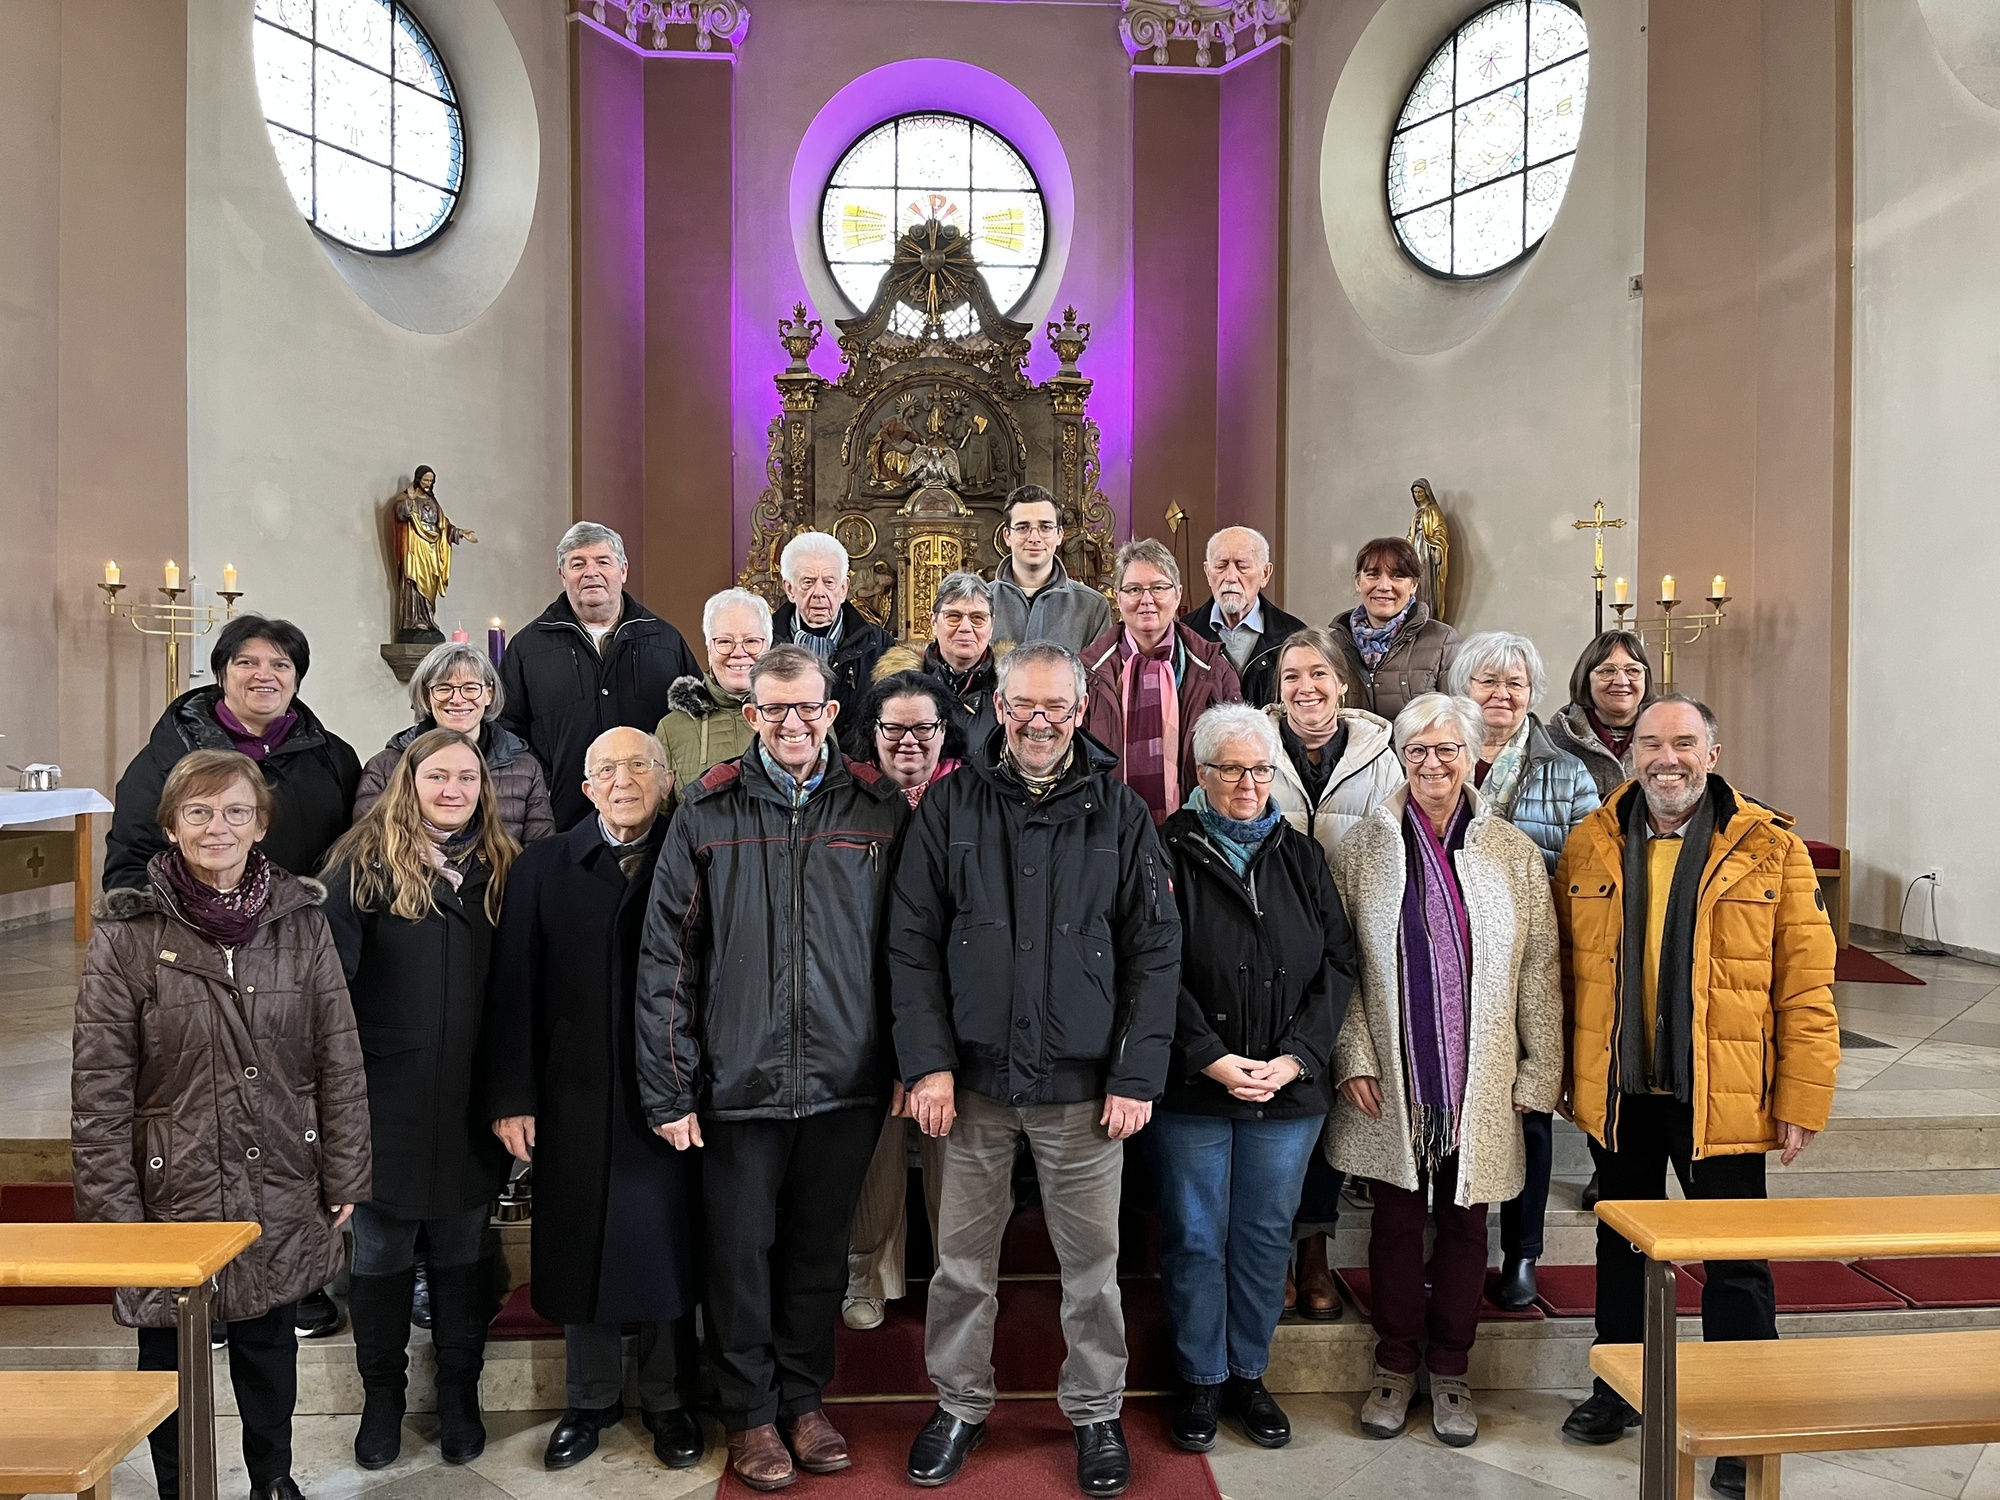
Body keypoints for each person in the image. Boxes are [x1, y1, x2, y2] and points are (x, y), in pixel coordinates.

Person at [889, 640, 1182, 1497]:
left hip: (1086, 1091)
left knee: (1092, 1273)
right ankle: (958, 1404)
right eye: (1024, 705)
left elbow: (1155, 950)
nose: (1040, 720)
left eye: (1057, 706)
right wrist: (929, 1065)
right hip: (971, 1087)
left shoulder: (1121, 814)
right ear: (1000, 709)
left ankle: (1095, 1414)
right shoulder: (950, 807)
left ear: (1081, 712)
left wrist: (1136, 1075)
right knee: (961, 1267)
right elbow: (911, 945)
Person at [636, 645, 908, 1493]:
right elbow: (667, 960)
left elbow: (910, 952)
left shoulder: (876, 807)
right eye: (774, 710)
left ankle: (803, 1398)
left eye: (809, 709)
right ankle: (750, 1411)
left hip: (846, 1079)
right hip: (739, 1082)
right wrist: (670, 1085)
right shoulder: (707, 809)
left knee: (818, 1254)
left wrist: (909, 1062)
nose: (792, 724)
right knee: (740, 1252)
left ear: (834, 713)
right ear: (750, 715)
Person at [1555, 696, 1838, 1500]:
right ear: (1631, 753)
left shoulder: (1770, 850)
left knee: (1735, 1261)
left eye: (1684, 743)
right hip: (1621, 1090)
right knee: (1623, 1245)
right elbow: (1567, 976)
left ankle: (1743, 1421)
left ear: (1714, 752)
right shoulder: (1592, 842)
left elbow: (1807, 984)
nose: (1666, 758)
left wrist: (1803, 1095)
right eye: (1650, 743)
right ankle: (1620, 1387)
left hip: (1725, 1092)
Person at [73, 749, 371, 1500]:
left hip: (279, 1169)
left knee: (269, 1345)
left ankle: (273, 1479)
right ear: (171, 825)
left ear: (260, 823)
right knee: (169, 1357)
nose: (218, 826)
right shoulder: (128, 932)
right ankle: (179, 1487)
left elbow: (337, 1054)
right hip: (174, 1181)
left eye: (236, 810)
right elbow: (100, 1087)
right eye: (199, 812)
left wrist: (346, 1168)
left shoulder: (300, 921)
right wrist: (114, 1213)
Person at [1328, 694, 1562, 1449]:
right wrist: (1354, 1054)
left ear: (1471, 757)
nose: (1433, 764)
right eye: (1418, 751)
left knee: (1465, 1226)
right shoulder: (1363, 847)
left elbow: (1539, 971)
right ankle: (1395, 1366)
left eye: (1447, 750)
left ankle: (1453, 1370)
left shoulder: (1512, 851)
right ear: (1402, 758)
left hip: (1480, 1072)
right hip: (1393, 1071)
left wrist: (1537, 1073)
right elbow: (1344, 966)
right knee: (1395, 1224)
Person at [485, 728, 704, 1472]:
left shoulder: (693, 854)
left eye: (638, 765)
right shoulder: (543, 866)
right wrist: (513, 1095)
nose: (622, 780)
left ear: (666, 779)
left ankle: (670, 1401)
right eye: (605, 769)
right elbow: (512, 987)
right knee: (579, 1245)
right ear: (584, 789)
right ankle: (590, 1399)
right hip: (571, 1089)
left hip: (671, 1088)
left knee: (669, 1245)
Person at [1153, 705, 1358, 1455]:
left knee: (1267, 1237)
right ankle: (1201, 1379)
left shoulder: (1301, 855)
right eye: (1232, 769)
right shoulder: (1163, 847)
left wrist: (1298, 1056)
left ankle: (1248, 1374)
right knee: (1197, 1236)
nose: (1250, 784)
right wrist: (1208, 1053)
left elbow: (1338, 962)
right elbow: (1150, 964)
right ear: (1200, 773)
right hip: (1193, 1085)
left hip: (1288, 1088)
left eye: (1262, 769)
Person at [320, 729, 520, 1470]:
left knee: (464, 1252)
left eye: (466, 778)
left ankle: (460, 1394)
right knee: (382, 1252)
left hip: (469, 1096)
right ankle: (382, 1399)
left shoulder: (501, 867)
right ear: (409, 781)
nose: (453, 790)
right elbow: (329, 993)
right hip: (384, 1096)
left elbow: (516, 990)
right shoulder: (359, 863)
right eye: (437, 776)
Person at [1445, 632, 1600, 1310]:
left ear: (1534, 694)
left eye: (1515, 684)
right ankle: (1448, 1243)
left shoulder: (1565, 771)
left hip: (1525, 967)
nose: (1501, 695)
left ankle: (1523, 1252)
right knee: (1448, 1110)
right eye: (1486, 682)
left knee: (1527, 1112)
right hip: (1447, 965)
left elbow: (1589, 874)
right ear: (1462, 687)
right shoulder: (1430, 756)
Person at [1262, 627, 1404, 1321]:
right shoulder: (1253, 748)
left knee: (1325, 1103)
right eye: (1292, 676)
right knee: (1280, 1108)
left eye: (1318, 674)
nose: (1305, 689)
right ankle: (1273, 1247)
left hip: (1356, 950)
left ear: (1343, 684)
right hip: (1268, 952)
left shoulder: (1385, 759)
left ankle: (1314, 1247)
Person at [841, 672, 964, 1332]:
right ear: (873, 733)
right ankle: (870, 1269)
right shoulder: (850, 800)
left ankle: (957, 1278)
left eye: (925, 727)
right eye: (895, 728)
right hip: (865, 1000)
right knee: (877, 1140)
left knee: (952, 1140)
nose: (909, 740)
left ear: (946, 733)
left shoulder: (967, 801)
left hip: (951, 1002)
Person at [106, 614, 362, 892]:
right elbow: (132, 864)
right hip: (202, 926)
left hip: (309, 923)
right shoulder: (169, 756)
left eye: (281, 665)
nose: (264, 675)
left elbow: (354, 852)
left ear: (296, 680)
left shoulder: (334, 756)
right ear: (222, 675)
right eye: (246, 662)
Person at [497, 522, 701, 830]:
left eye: (603, 561)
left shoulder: (666, 640)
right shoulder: (528, 647)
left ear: (623, 570)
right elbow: (508, 732)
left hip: (654, 821)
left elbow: (694, 726)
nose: (591, 572)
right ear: (562, 575)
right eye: (577, 564)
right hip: (563, 818)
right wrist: (546, 786)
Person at [1083, 537, 1243, 825]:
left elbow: (1235, 755)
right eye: (1133, 589)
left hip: (1194, 830)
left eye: (1158, 588)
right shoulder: (1087, 671)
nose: (1147, 600)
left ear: (1178, 594)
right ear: (1117, 597)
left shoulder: (1214, 668)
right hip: (1107, 826)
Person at [355, 641, 554, 843]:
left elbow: (540, 853)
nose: (457, 699)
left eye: (470, 688)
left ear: (489, 695)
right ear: (426, 696)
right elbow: (367, 846)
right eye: (443, 688)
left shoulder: (525, 767)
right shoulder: (385, 766)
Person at [770, 530, 892, 752]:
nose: (819, 593)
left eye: (829, 582)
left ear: (844, 588)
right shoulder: (763, 642)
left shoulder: (879, 645)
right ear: (789, 589)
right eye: (808, 582)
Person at [655, 587, 771, 811]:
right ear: (709, 649)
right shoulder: (672, 730)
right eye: (725, 641)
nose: (738, 652)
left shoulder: (802, 718)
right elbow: (662, 822)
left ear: (768, 647)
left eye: (752, 641)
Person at [1324, 538, 1461, 722]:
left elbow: (1457, 719)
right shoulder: (1332, 645)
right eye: (1373, 575)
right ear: (1358, 582)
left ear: (1413, 585)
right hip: (1351, 750)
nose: (1384, 586)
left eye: (1397, 576)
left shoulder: (1443, 641)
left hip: (1414, 750)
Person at [1176, 527, 1306, 707]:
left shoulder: (1293, 635)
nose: (1230, 577)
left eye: (1242, 566)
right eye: (1220, 566)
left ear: (1265, 574)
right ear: (1207, 573)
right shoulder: (1184, 634)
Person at [873, 571, 1000, 749]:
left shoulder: (1010, 689)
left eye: (977, 618)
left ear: (992, 626)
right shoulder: (894, 685)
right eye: (953, 616)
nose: (965, 628)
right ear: (933, 622)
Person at [989, 484, 1113, 653]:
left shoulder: (1092, 607)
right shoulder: (980, 602)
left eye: (1045, 527)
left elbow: (1099, 677)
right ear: (1007, 536)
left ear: (1059, 535)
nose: (1034, 538)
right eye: (1023, 527)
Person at [1547, 630, 1655, 797]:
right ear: (1585, 679)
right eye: (1607, 671)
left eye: (1633, 670)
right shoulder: (1552, 743)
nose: (1621, 681)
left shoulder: (1669, 737)